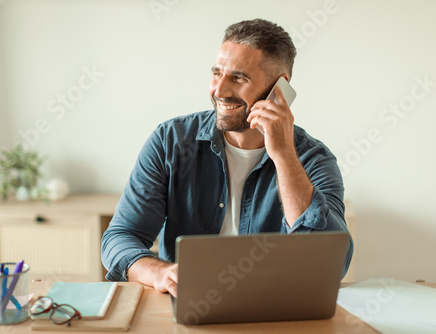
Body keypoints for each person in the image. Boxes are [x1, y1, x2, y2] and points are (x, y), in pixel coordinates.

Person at [101, 18, 353, 298]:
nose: (219, 91)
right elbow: (120, 238)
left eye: (238, 78)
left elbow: (330, 264)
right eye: (217, 73)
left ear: (279, 88)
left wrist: (283, 156)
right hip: (187, 305)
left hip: (273, 309)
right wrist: (159, 272)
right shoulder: (170, 141)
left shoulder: (313, 159)